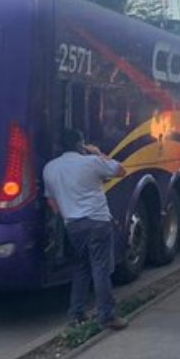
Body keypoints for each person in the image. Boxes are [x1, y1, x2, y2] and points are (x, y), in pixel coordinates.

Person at [42, 128, 129, 331]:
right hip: (98, 222)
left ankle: (77, 314)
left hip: (73, 225)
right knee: (100, 269)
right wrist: (98, 153)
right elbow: (120, 170)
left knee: (81, 268)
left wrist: (68, 217)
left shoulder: (50, 168)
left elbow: (52, 203)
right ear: (80, 145)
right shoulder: (91, 162)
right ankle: (107, 316)